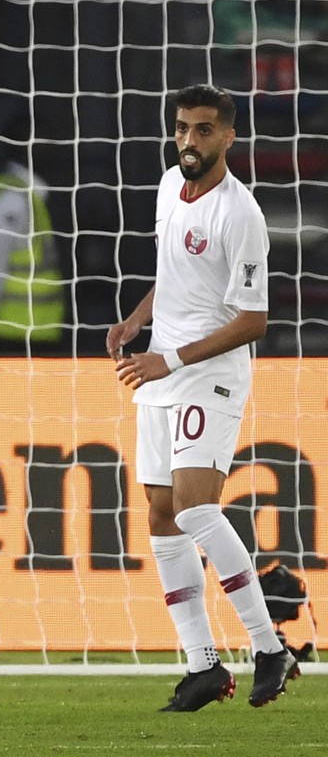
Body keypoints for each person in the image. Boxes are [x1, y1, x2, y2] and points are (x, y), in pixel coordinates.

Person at [105, 83, 297, 711]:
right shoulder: (168, 185)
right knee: (161, 516)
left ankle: (269, 647)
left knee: (192, 510)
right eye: (183, 128)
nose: (189, 140)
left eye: (203, 130)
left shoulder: (239, 213)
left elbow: (254, 319)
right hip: (161, 366)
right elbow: (173, 276)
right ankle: (202, 666)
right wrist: (137, 321)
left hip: (209, 372)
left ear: (228, 136)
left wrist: (172, 358)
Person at [0, 145, 67, 354]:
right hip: (10, 336)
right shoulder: (12, 199)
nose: (55, 152)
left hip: (37, 333)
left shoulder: (32, 198)